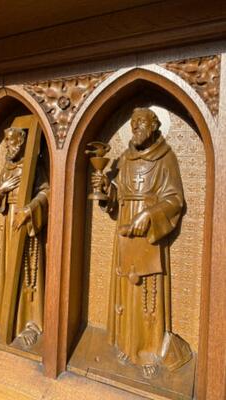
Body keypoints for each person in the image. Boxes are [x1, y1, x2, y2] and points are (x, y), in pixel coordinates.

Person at [92, 107, 190, 378]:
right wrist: (105, 191)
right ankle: (126, 342)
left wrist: (149, 215)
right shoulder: (125, 158)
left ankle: (148, 348)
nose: (135, 127)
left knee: (148, 291)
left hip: (149, 233)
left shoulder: (165, 158)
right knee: (125, 286)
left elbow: (175, 200)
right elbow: (119, 196)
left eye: (140, 123)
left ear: (154, 126)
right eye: (132, 123)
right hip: (124, 228)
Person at [0, 127, 49, 347]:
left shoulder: (35, 165)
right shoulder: (8, 166)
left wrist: (30, 210)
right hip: (9, 224)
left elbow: (47, 192)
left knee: (28, 274)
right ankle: (8, 317)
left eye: (12, 141)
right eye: (6, 142)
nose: (8, 146)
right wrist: (0, 190)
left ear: (23, 142)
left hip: (28, 224)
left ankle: (30, 323)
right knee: (8, 269)